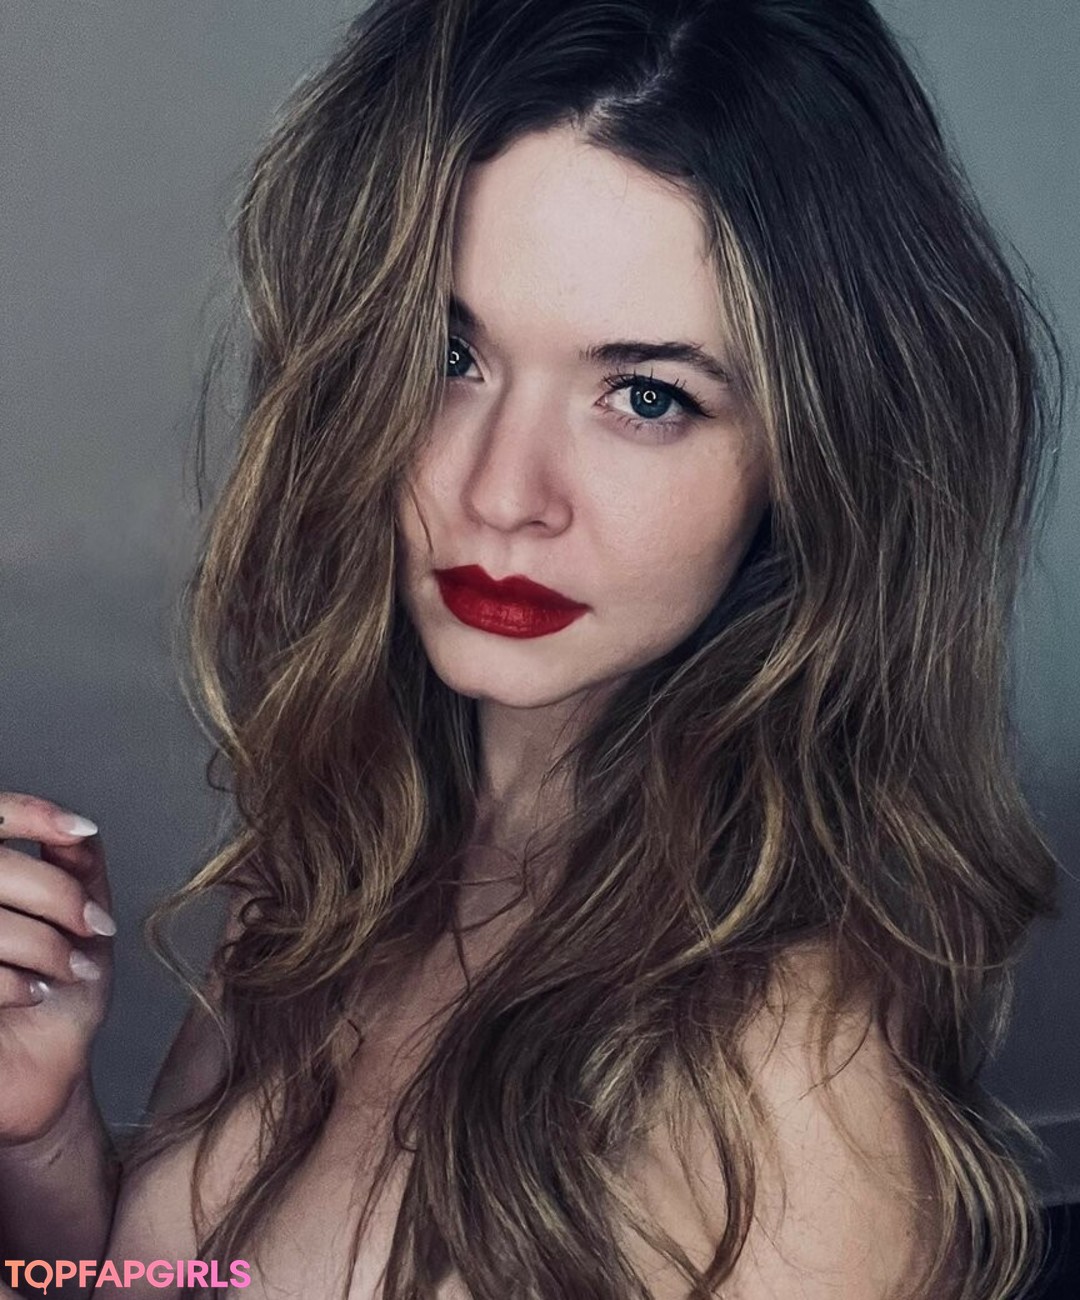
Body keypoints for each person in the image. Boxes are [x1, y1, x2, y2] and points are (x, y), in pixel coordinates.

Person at [0, 0, 1068, 1296]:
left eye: (647, 396)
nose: (503, 492)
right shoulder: (350, 848)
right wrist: (43, 1137)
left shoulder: (788, 1099)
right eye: (450, 354)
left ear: (815, 457)